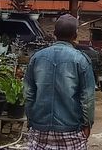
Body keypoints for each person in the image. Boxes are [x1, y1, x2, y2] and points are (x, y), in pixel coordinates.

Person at [24, 14, 96, 150]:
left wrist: (31, 120)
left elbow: (28, 93)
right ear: (75, 35)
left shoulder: (37, 58)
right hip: (71, 129)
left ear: (55, 34)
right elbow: (87, 98)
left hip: (40, 128)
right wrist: (87, 124)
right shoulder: (81, 60)